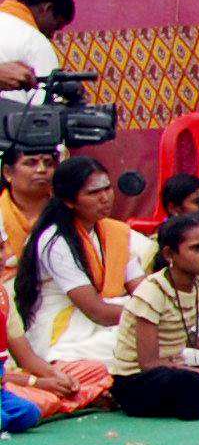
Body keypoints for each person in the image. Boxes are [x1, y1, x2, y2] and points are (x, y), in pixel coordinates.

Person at [12, 153, 127, 416]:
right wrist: (150, 315)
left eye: (107, 188)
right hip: (63, 338)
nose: (105, 198)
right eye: (93, 193)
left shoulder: (113, 232)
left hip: (99, 327)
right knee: (134, 349)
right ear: (68, 201)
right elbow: (97, 312)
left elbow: (141, 288)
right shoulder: (55, 240)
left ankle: (94, 390)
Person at [107, 208, 199, 419]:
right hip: (139, 379)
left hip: (179, 369)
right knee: (187, 385)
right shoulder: (152, 291)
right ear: (169, 254)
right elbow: (149, 364)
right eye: (197, 248)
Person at [0, 0, 66, 96]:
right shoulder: (36, 41)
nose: (51, 35)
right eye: (56, 27)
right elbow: (46, 99)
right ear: (47, 9)